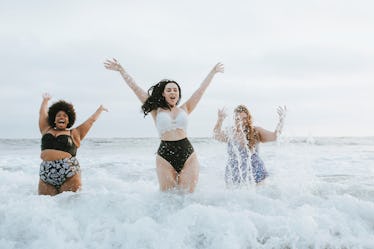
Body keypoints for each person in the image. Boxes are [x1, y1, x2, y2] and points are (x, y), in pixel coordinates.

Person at [104, 58, 224, 193]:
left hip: (187, 152)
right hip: (165, 154)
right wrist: (121, 70)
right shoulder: (156, 111)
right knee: (168, 198)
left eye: (175, 90)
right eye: (169, 90)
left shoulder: (185, 108)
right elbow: (135, 88)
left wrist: (212, 72)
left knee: (189, 196)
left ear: (178, 94)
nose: (173, 92)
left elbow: (200, 90)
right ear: (163, 93)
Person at [38, 93, 107, 195]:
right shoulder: (46, 129)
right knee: (45, 206)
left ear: (69, 120)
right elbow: (42, 114)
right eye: (59, 115)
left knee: (71, 205)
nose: (62, 117)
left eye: (65, 116)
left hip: (69, 174)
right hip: (46, 174)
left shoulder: (75, 133)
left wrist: (100, 110)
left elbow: (90, 121)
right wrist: (45, 101)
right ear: (54, 119)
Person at [213, 105, 286, 185]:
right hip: (234, 173)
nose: (242, 121)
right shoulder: (231, 133)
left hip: (255, 171)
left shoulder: (256, 131)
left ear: (248, 118)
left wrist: (281, 119)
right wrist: (220, 119)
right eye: (238, 119)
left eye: (244, 118)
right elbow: (216, 135)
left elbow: (275, 136)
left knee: (258, 197)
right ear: (234, 119)